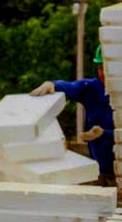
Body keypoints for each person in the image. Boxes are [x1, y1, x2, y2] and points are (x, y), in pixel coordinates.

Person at [30, 45, 115, 186]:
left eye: (107, 69)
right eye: (100, 68)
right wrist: (53, 85)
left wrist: (104, 134)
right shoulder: (92, 88)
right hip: (100, 172)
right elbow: (72, 87)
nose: (102, 74)